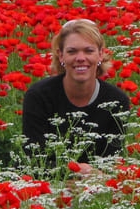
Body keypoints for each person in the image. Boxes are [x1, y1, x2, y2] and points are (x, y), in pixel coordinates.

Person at [22, 19, 130, 174]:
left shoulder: (117, 101)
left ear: (100, 54)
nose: (80, 58)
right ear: (61, 56)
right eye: (72, 51)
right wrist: (75, 172)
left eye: (88, 51)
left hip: (98, 187)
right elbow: (34, 158)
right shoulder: (39, 96)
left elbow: (113, 161)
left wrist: (92, 176)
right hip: (49, 185)